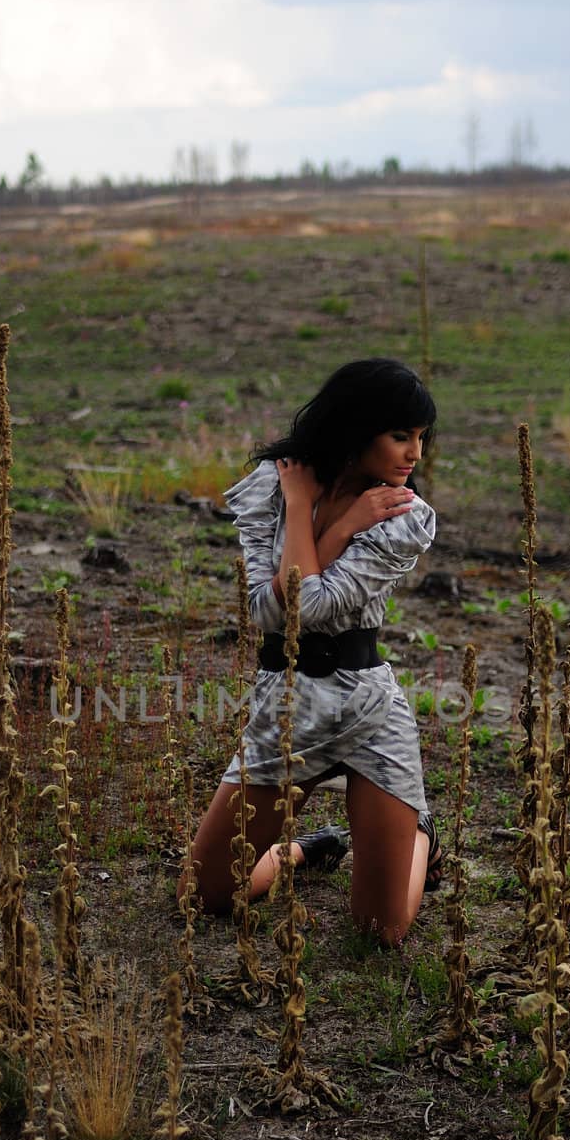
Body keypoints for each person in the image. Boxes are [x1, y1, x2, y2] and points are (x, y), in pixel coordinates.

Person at [181, 358, 442, 946]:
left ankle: (421, 833)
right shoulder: (272, 488)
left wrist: (338, 521)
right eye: (401, 435)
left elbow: (311, 605)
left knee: (382, 931)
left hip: (368, 710)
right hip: (285, 707)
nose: (415, 455)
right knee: (204, 898)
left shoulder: (405, 515)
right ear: (356, 428)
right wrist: (311, 509)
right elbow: (269, 613)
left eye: (421, 437)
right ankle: (305, 850)